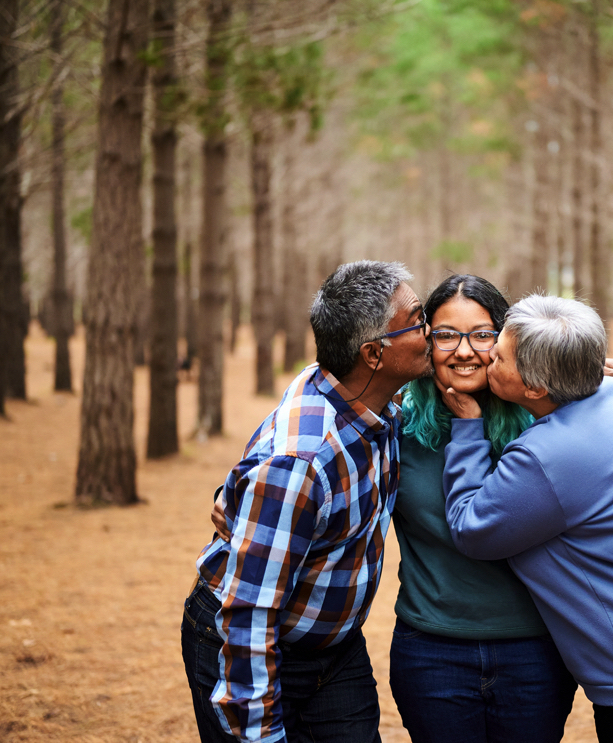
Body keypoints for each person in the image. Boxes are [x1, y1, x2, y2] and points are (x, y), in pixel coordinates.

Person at [388, 275, 613, 743]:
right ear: (426, 339)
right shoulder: (392, 426)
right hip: (433, 649)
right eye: (446, 334)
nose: (465, 351)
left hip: (534, 649)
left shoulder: (548, 412)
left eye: (484, 336)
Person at [181, 261, 432, 743]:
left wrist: (582, 377)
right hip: (249, 640)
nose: (430, 332)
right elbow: (250, 613)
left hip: (335, 649)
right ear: (374, 354)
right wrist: (260, 733)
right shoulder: (303, 464)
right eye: (418, 320)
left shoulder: (364, 395)